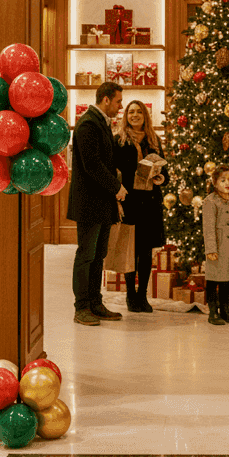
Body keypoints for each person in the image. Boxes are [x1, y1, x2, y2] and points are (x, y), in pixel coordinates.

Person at [67, 81, 127, 326]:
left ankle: (95, 302)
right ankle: (81, 307)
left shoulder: (101, 122)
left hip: (101, 202)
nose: (120, 106)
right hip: (89, 203)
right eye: (118, 101)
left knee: (98, 255)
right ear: (105, 99)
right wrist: (116, 187)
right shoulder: (88, 124)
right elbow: (92, 165)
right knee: (86, 255)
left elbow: (107, 159)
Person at [114, 100, 169, 312]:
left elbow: (165, 171)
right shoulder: (119, 140)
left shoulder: (154, 140)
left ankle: (142, 296)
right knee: (130, 250)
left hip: (150, 203)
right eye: (131, 112)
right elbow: (113, 170)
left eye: (139, 112)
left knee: (146, 252)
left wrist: (160, 178)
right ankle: (130, 296)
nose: (135, 115)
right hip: (130, 201)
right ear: (126, 116)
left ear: (145, 115)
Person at [202, 165, 229, 326]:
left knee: (225, 277)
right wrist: (211, 248)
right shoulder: (210, 201)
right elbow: (208, 227)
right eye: (223, 180)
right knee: (213, 278)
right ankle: (213, 311)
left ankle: (225, 310)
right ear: (215, 182)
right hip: (217, 245)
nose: (227, 183)